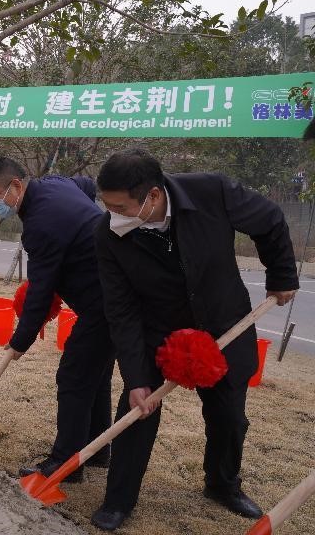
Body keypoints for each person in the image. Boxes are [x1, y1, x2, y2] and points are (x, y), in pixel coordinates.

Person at [90, 149, 298, 531]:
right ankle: (118, 499)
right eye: (106, 204)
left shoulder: (212, 192)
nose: (111, 213)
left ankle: (222, 485)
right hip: (157, 330)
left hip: (223, 322)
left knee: (229, 417)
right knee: (136, 411)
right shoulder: (108, 234)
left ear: (153, 195)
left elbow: (269, 219)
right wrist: (136, 378)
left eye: (119, 206)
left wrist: (282, 275)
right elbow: (120, 309)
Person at [0, 157, 114, 482]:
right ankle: (95, 449)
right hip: (113, 292)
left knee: (73, 377)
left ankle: (66, 464)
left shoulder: (40, 225)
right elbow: (86, 186)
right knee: (95, 375)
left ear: (16, 186)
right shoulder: (57, 183)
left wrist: (19, 341)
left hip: (104, 303)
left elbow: (40, 292)